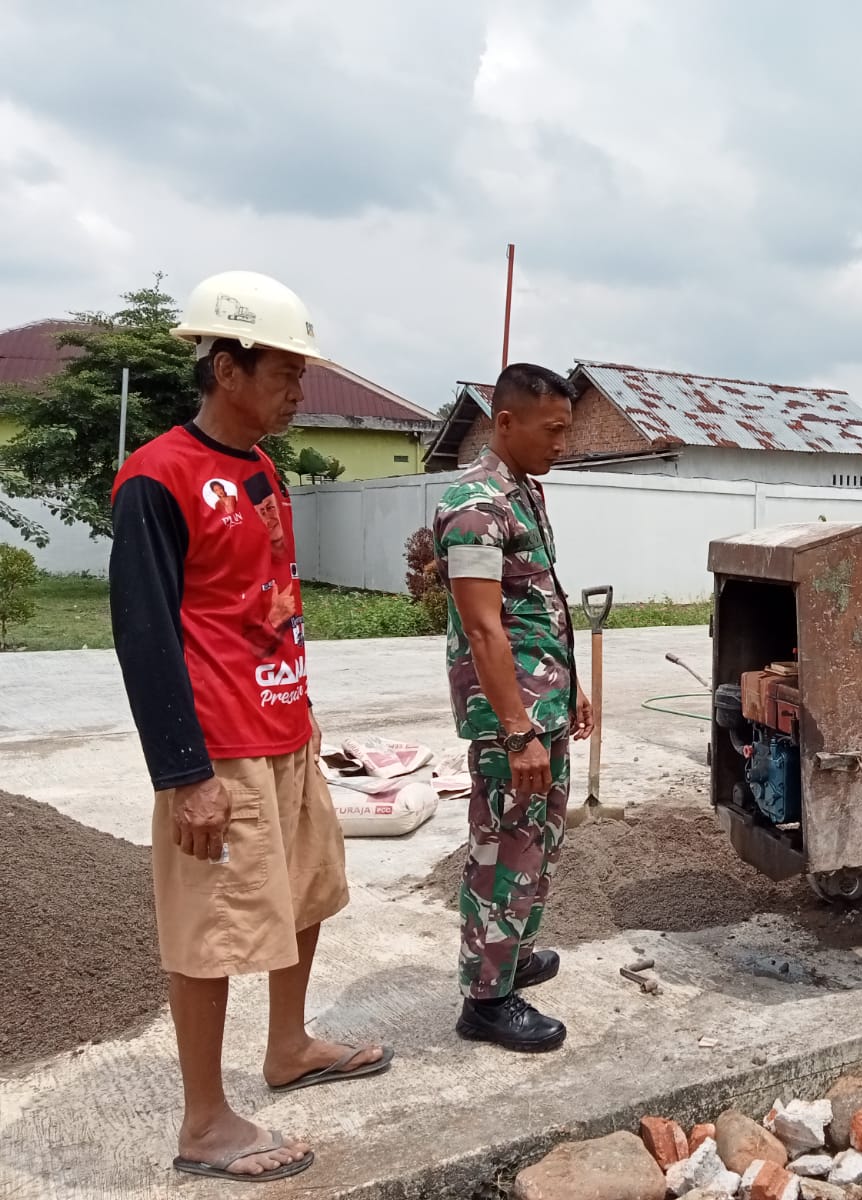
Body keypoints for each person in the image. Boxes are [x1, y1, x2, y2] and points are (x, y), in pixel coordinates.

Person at [110, 271, 391, 1184]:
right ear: (227, 368)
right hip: (218, 748)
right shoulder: (158, 478)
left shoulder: (262, 468)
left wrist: (303, 719)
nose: (299, 390)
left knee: (305, 894)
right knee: (214, 927)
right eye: (285, 372)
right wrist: (182, 773)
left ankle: (289, 1046)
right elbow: (145, 635)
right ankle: (204, 1122)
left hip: (285, 725)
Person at [433, 362, 593, 1052]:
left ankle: (514, 952)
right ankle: (486, 1000)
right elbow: (483, 628)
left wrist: (570, 684)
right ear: (505, 422)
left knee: (538, 840)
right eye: (552, 430)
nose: (562, 443)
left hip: (541, 703)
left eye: (566, 430)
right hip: (512, 716)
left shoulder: (524, 491)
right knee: (504, 848)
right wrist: (517, 731)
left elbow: (538, 604)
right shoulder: (475, 505)